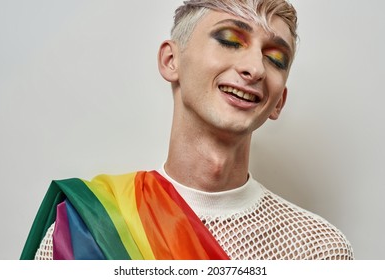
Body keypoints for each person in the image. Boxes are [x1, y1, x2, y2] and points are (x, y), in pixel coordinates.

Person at [21, 0, 354, 260]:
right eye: (230, 40)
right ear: (171, 61)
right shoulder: (86, 228)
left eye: (276, 59)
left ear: (279, 100)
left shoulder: (320, 250)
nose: (254, 68)